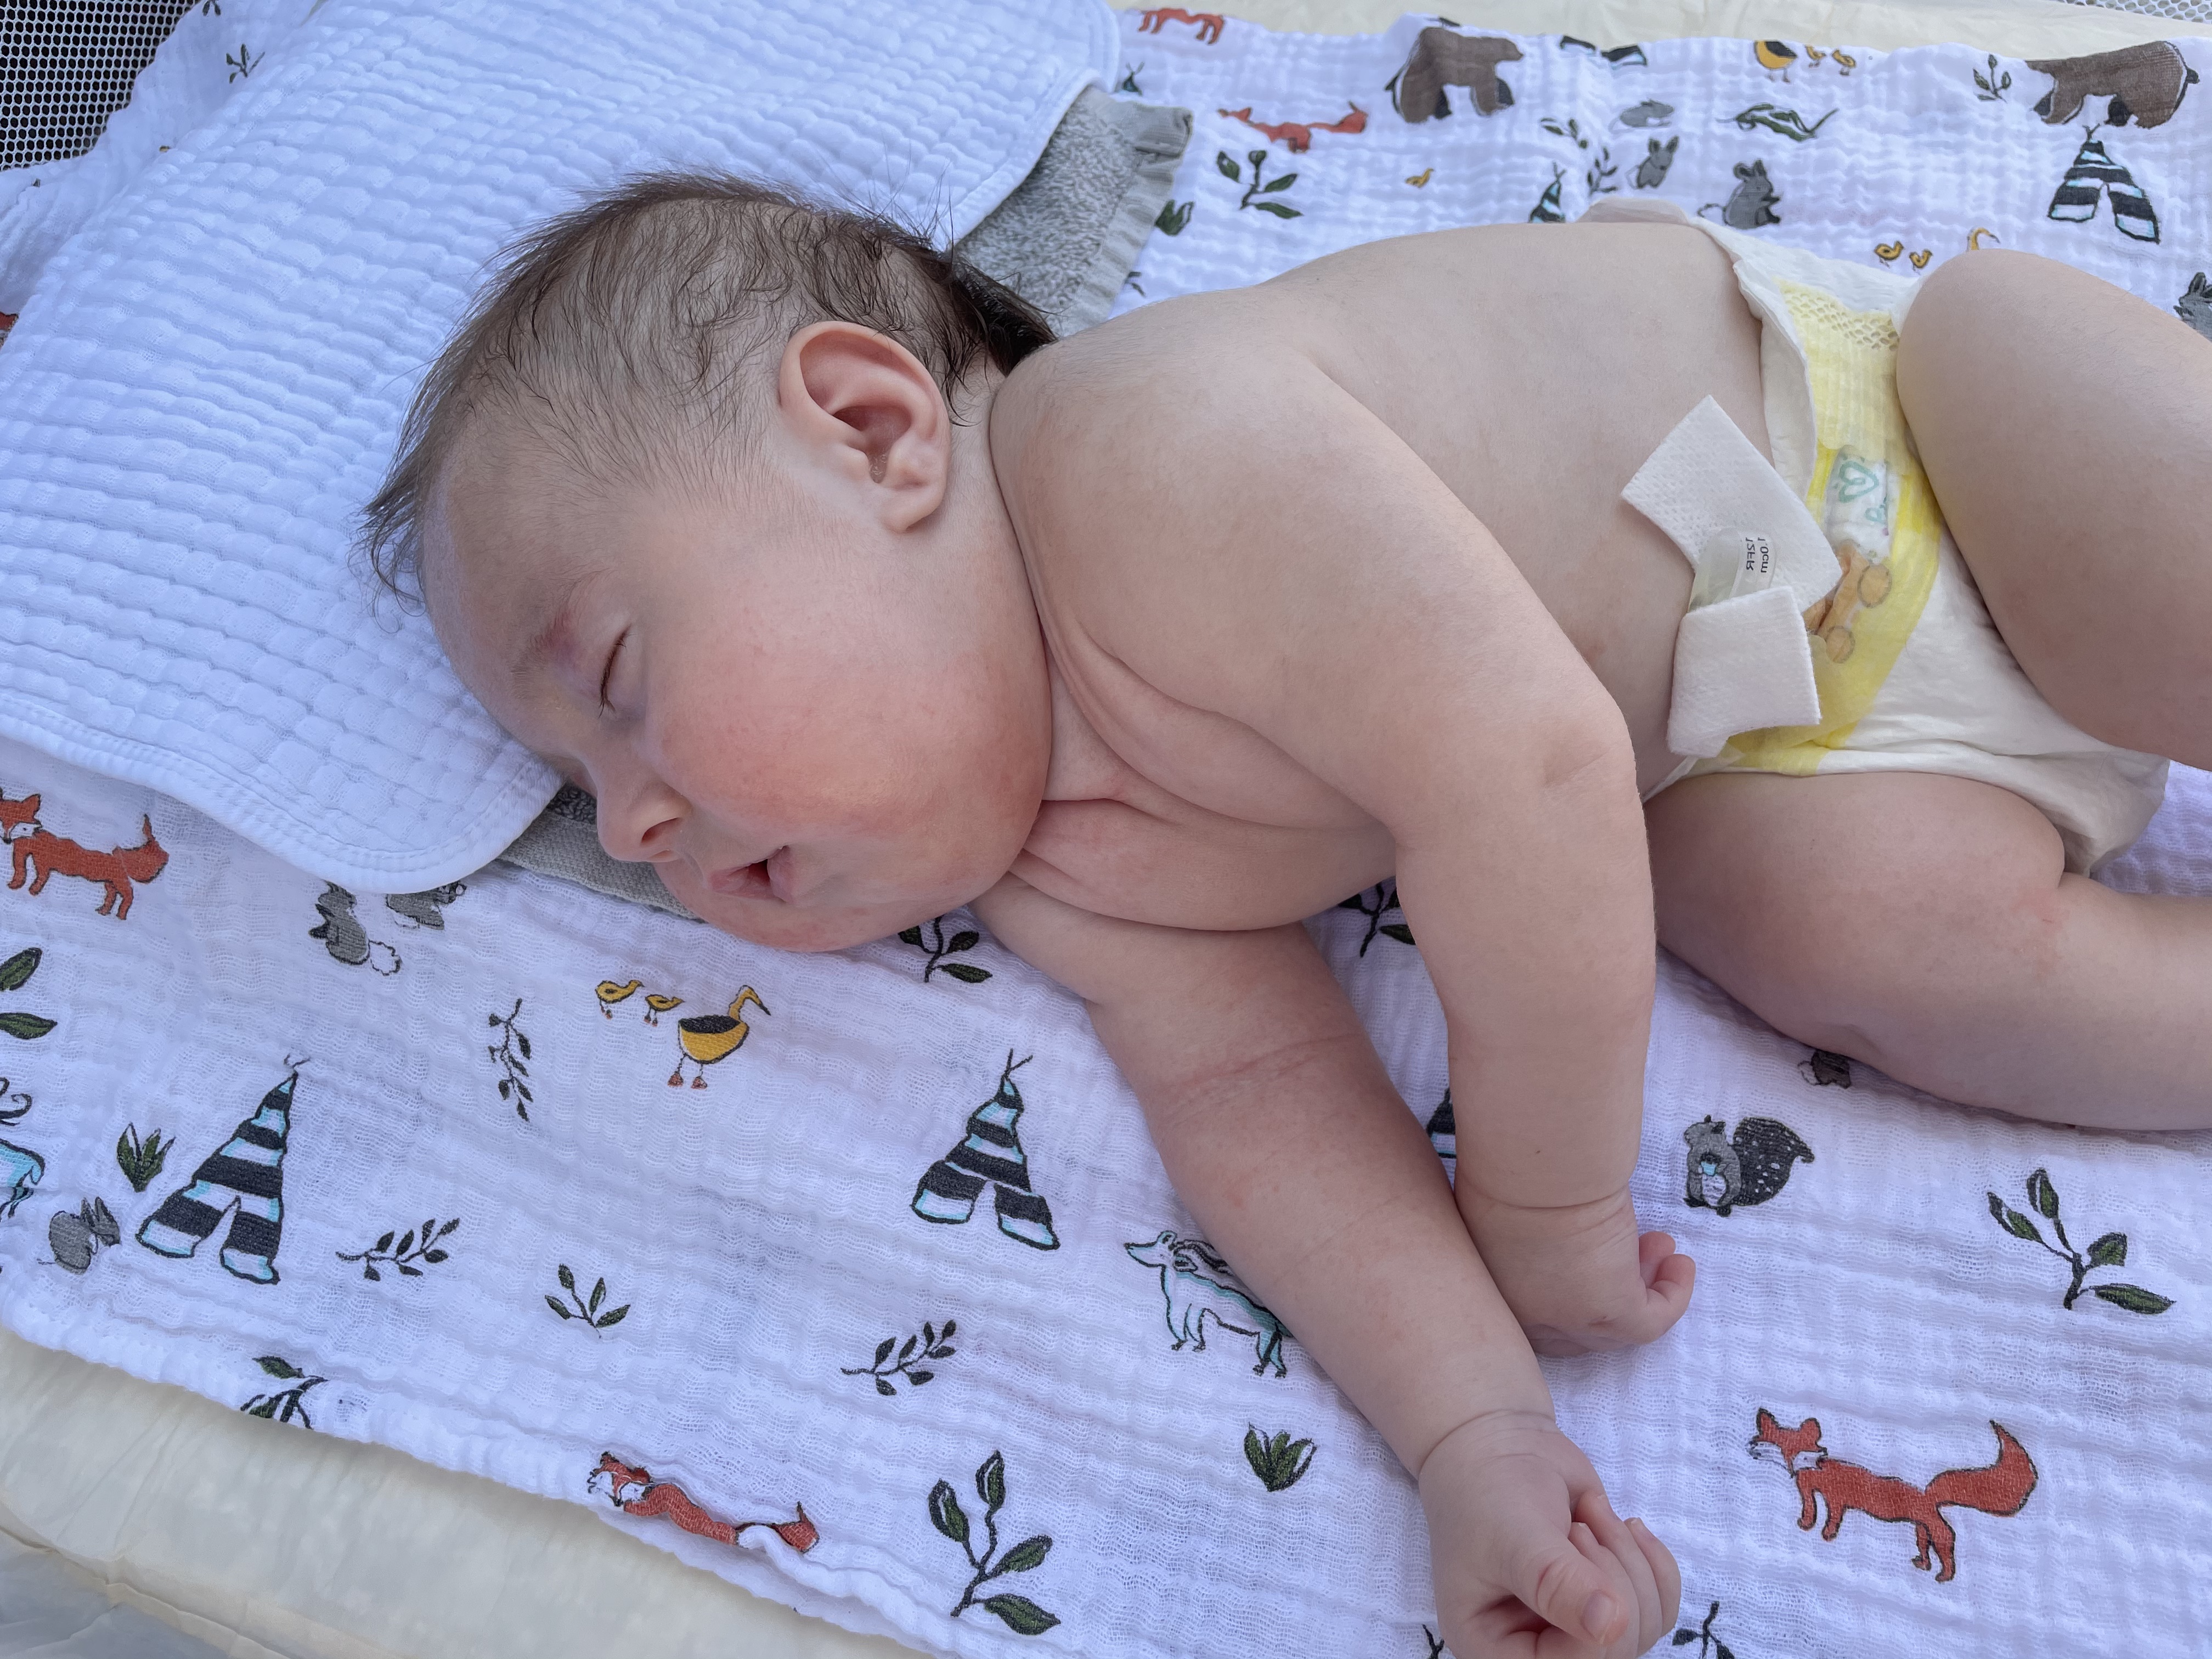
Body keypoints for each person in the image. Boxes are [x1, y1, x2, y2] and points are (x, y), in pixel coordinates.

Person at [361, 172, 2212, 1659]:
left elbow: (1524, 770)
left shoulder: (1143, 454)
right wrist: (1475, 1433)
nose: (636, 823)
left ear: (871, 432)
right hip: (1781, 741)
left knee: (2118, 513)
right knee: (1849, 948)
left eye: (619, 682)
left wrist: (1545, 1214)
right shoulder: (1056, 863)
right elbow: (1262, 1101)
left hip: (1898, 436)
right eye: (583, 795)